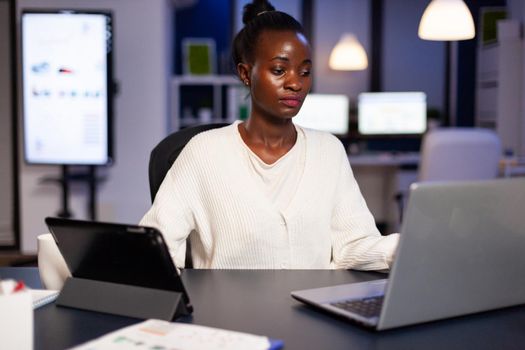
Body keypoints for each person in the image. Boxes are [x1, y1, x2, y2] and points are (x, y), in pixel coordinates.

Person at [140, 0, 399, 270]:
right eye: (279, 70)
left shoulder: (329, 151)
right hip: (228, 310)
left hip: (312, 308)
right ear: (245, 74)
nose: (295, 83)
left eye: (305, 72)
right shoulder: (202, 152)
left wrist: (411, 245)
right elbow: (157, 248)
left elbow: (354, 245)